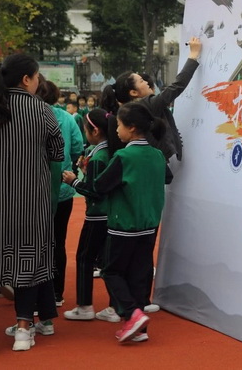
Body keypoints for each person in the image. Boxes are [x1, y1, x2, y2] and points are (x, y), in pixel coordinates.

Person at [0, 53, 65, 352]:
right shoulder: (42, 110)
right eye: (36, 76)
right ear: (26, 79)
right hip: (32, 202)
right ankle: (22, 329)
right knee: (29, 262)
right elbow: (58, 152)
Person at [62, 101, 172, 343]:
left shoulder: (124, 156)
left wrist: (74, 181)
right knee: (138, 274)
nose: (117, 130)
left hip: (124, 225)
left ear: (132, 128)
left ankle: (132, 314)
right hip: (149, 225)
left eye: (120, 125)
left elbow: (98, 188)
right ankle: (138, 325)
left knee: (111, 271)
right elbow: (168, 177)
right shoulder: (156, 154)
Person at [62, 108, 117, 323]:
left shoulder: (98, 157)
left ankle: (84, 305)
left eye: (85, 129)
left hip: (96, 215)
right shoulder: (109, 151)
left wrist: (73, 181)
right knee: (109, 261)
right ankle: (115, 306)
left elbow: (95, 190)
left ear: (94, 131)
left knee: (84, 258)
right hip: (110, 214)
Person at [34, 79, 84, 310]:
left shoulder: (27, 117)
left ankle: (33, 293)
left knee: (33, 243)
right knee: (58, 242)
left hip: (32, 190)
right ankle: (56, 292)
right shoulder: (66, 118)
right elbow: (77, 147)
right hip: (62, 188)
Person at [110, 37, 201, 161]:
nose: (146, 82)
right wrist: (193, 55)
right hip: (162, 160)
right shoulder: (147, 105)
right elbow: (177, 86)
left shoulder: (130, 110)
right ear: (133, 92)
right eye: (141, 81)